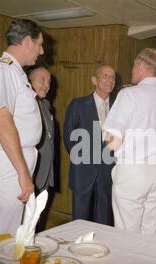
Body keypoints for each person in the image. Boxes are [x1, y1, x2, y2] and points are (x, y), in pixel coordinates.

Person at [103, 48, 156, 237]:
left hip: (132, 171)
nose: (132, 70)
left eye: (133, 65)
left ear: (140, 65)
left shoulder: (128, 94)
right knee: (152, 233)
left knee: (126, 234)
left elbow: (112, 142)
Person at [0, 19, 44, 235]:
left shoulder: (15, 73)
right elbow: (2, 121)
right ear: (27, 41)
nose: (42, 51)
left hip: (14, 165)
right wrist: (23, 173)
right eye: (39, 44)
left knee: (16, 235)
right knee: (2, 237)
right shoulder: (2, 71)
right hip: (8, 167)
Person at [63, 65, 116, 225]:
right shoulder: (78, 105)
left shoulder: (118, 107)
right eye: (105, 76)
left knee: (104, 220)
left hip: (108, 172)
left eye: (113, 77)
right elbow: (69, 138)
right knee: (80, 220)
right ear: (94, 80)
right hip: (83, 172)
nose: (110, 80)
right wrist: (83, 161)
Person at [26, 65, 54, 193]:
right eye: (42, 80)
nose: (46, 85)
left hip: (45, 171)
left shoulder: (46, 105)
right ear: (29, 81)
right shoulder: (23, 106)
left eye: (48, 81)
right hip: (30, 172)